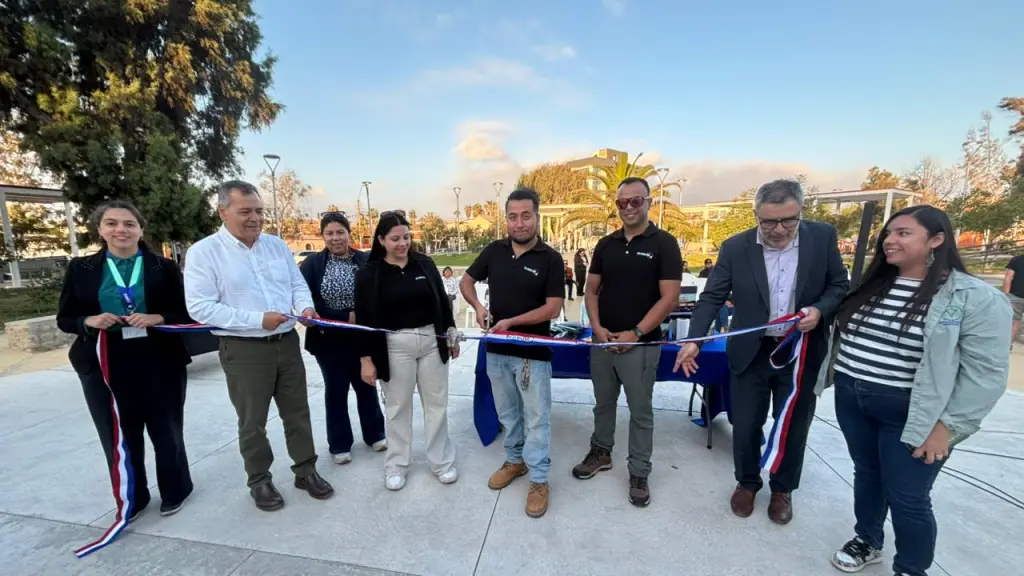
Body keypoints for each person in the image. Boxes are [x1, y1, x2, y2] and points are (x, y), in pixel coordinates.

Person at [825, 206, 1010, 576]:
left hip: (914, 413)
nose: (890, 240)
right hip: (852, 399)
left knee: (908, 497)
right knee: (868, 474)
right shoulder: (874, 283)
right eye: (888, 233)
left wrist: (948, 426)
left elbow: (986, 374)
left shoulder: (973, 297)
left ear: (936, 240)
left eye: (904, 233)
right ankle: (868, 539)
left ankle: (911, 567)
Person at [674, 179, 849, 524]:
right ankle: (748, 482)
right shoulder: (736, 247)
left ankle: (782, 488)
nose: (779, 229)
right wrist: (694, 339)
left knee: (793, 424)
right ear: (756, 215)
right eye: (768, 222)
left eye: (788, 220)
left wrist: (819, 310)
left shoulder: (822, 237)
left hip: (799, 352)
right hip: (751, 352)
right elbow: (711, 297)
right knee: (747, 423)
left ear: (801, 213)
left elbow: (839, 285)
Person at [185, 180, 333, 511]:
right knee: (253, 420)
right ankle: (259, 479)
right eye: (245, 211)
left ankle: (305, 470)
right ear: (223, 212)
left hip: (287, 343)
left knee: (297, 411)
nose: (255, 218)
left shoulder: (276, 246)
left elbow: (297, 285)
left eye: (259, 211)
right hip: (244, 348)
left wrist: (305, 308)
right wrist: (257, 320)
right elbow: (200, 307)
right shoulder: (204, 253)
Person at [57, 200, 194, 519]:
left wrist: (157, 317)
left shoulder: (163, 267)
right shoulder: (82, 269)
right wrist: (88, 322)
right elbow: (66, 318)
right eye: (112, 223)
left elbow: (186, 313)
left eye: (129, 224)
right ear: (100, 230)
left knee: (166, 428)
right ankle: (134, 496)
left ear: (140, 229)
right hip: (104, 364)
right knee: (118, 432)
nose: (121, 229)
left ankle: (176, 489)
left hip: (159, 360)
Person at [571, 177, 682, 506]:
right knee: (602, 403)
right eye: (622, 203)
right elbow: (591, 291)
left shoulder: (664, 243)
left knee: (640, 412)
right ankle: (601, 452)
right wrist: (597, 328)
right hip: (603, 342)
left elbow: (670, 298)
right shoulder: (606, 245)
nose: (629, 208)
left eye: (636, 201)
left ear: (649, 202)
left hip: (642, 345)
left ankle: (639, 471)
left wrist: (635, 333)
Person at [461, 187, 565, 518]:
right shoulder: (494, 250)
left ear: (537, 217)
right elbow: (466, 281)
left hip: (532, 355)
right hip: (497, 351)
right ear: (505, 218)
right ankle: (515, 460)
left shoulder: (550, 258)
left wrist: (512, 322)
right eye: (512, 216)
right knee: (508, 415)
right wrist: (478, 307)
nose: (519, 223)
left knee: (537, 418)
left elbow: (553, 308)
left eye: (525, 216)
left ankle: (539, 479)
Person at [354, 211, 459, 491]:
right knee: (398, 407)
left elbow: (442, 302)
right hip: (394, 347)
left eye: (407, 237)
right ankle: (397, 464)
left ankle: (442, 462)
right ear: (381, 240)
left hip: (430, 342)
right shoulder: (369, 274)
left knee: (436, 404)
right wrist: (366, 359)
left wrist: (451, 333)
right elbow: (363, 320)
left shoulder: (424, 263)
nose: (403, 244)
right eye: (395, 239)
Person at [299, 212, 386, 465]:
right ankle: (339, 444)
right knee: (336, 390)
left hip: (362, 338)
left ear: (349, 234)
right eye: (330, 233)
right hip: (329, 339)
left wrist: (362, 316)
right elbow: (309, 301)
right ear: (323, 236)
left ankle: (375, 434)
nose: (335, 238)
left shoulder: (365, 259)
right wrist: (345, 316)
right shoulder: (313, 265)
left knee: (366, 385)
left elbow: (376, 292)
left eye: (340, 232)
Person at [1002, 253, 1024, 345]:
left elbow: (1008, 277)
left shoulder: (1016, 260)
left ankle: (1008, 345)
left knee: (1014, 322)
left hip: (1015, 295)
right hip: (1015, 296)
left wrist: (1006, 294)